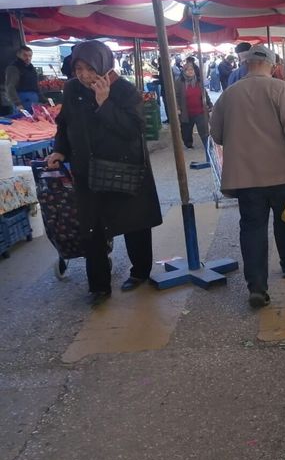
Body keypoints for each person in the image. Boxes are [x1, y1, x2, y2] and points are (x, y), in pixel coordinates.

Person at [45, 40, 162, 305]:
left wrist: (104, 102)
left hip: (123, 170)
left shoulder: (124, 90)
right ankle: (99, 287)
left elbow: (133, 130)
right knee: (92, 228)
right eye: (79, 68)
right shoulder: (72, 88)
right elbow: (64, 126)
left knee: (135, 224)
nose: (84, 75)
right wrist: (60, 150)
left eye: (89, 68)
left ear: (103, 64)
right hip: (87, 172)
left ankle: (140, 272)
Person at [209, 44, 285, 308]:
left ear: (246, 64)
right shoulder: (280, 89)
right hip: (281, 172)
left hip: (246, 177)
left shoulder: (229, 95)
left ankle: (257, 287)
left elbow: (216, 135)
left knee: (252, 229)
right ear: (272, 65)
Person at [175, 61, 212, 150]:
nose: (190, 71)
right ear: (184, 71)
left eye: (192, 70)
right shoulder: (179, 82)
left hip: (200, 111)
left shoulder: (199, 81)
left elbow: (205, 94)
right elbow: (176, 96)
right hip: (186, 111)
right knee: (186, 130)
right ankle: (188, 144)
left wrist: (209, 104)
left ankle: (207, 144)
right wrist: (177, 107)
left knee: (204, 129)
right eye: (188, 70)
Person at [4, 46, 45, 113]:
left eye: (30, 56)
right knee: (23, 120)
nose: (28, 58)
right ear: (18, 55)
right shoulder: (13, 68)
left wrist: (43, 99)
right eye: (25, 55)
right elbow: (10, 87)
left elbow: (36, 86)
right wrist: (17, 103)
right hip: (22, 100)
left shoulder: (31, 68)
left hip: (34, 100)